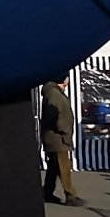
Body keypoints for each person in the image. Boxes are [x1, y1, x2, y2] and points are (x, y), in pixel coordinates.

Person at [41, 74, 86, 207]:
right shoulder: (54, 94)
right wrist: (63, 129)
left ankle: (47, 193)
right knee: (63, 166)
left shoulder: (53, 93)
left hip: (55, 136)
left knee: (54, 166)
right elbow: (54, 114)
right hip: (57, 137)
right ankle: (70, 195)